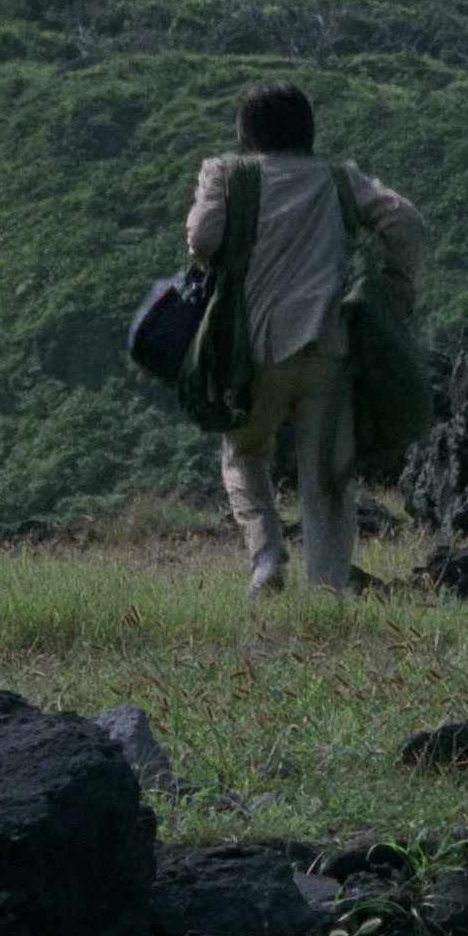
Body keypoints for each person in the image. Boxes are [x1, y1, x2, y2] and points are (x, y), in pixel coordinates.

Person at [185, 81, 425, 594]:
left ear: (247, 132)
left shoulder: (228, 174)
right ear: (307, 129)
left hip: (253, 351)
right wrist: (393, 288)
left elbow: (202, 239)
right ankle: (327, 593)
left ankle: (266, 552)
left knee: (245, 454)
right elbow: (406, 223)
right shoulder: (339, 180)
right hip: (327, 348)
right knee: (328, 480)